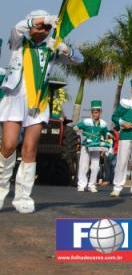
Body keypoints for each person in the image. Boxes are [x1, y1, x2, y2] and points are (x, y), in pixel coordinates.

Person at [0, 11, 83, 213]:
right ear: (32, 26)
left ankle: (23, 197)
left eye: (47, 28)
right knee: (9, 145)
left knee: (30, 149)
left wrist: (65, 48)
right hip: (15, 99)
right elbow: (17, 27)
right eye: (40, 26)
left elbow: (79, 59)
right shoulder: (19, 42)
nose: (44, 30)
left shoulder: (51, 49)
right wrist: (44, 20)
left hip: (38, 103)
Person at [75, 100, 111, 192]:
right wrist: (78, 129)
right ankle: (81, 185)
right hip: (86, 146)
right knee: (84, 166)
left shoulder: (103, 124)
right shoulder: (86, 122)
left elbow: (106, 133)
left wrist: (108, 135)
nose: (95, 114)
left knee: (95, 167)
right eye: (94, 112)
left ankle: (92, 185)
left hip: (96, 147)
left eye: (97, 112)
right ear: (91, 112)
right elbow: (76, 127)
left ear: (100, 112)